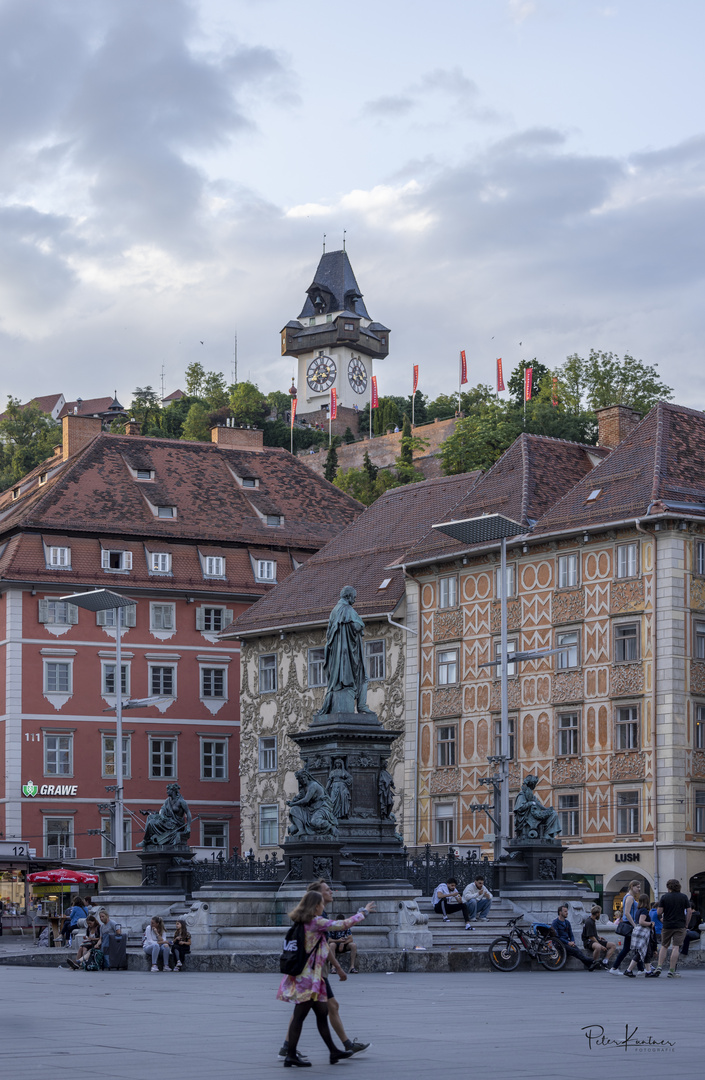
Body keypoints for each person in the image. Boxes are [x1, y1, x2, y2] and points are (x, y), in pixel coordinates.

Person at [276, 891, 374, 1067]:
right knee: (299, 1016)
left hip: (311, 977)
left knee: (322, 1014)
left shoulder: (302, 922)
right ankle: (290, 1054)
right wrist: (363, 912)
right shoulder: (315, 922)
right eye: (321, 904)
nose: (323, 907)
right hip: (307, 978)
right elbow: (343, 924)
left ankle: (333, 1051)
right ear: (315, 906)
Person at [654, 879, 692, 978]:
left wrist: (662, 918)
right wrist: (686, 923)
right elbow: (689, 911)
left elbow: (658, 912)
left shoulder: (664, 897)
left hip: (667, 925)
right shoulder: (683, 897)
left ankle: (659, 966)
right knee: (676, 947)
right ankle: (671, 970)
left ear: (668, 887)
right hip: (680, 925)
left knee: (664, 946)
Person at [551, 905, 602, 970]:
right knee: (576, 952)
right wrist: (568, 942)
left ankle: (590, 965)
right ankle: (593, 961)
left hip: (568, 942)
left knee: (578, 951)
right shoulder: (555, 923)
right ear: (560, 912)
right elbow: (556, 937)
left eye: (567, 911)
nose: (567, 913)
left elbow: (571, 934)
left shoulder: (567, 923)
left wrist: (572, 941)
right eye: (565, 911)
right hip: (560, 943)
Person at [609, 880, 641, 974]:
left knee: (633, 947)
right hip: (630, 924)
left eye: (639, 887)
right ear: (632, 886)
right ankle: (614, 968)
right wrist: (634, 925)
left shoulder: (628, 897)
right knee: (629, 948)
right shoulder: (630, 898)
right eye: (637, 887)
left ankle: (641, 969)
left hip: (629, 924)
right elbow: (627, 913)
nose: (639, 889)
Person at [624, 894, 657, 977]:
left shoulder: (638, 910)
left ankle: (647, 971)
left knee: (644, 952)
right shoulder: (644, 911)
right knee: (643, 952)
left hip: (638, 932)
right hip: (643, 934)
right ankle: (630, 970)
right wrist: (651, 923)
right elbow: (641, 921)